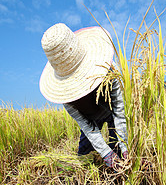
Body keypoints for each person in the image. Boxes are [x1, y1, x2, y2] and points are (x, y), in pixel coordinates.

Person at [39, 23, 128, 170]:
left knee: (117, 148)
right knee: (84, 156)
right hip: (90, 118)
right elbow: (87, 127)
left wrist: (123, 147)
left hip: (111, 113)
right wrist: (106, 155)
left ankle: (117, 179)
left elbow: (119, 111)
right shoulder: (66, 95)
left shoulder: (110, 71)